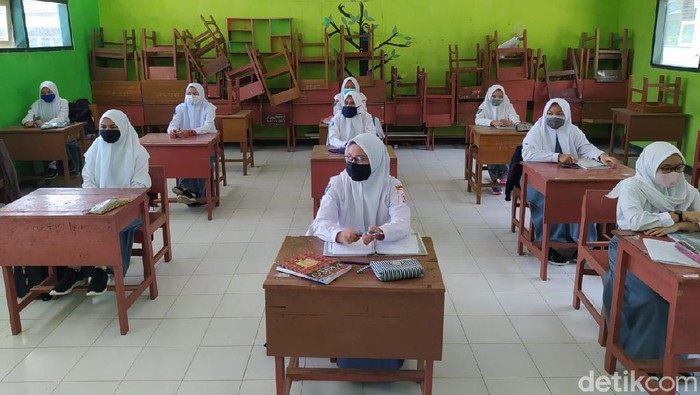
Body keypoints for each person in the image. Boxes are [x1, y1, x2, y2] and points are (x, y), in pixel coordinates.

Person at [307, 132, 409, 371]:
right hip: (343, 253)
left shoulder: (392, 185)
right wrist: (339, 234)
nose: (353, 164)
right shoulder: (338, 182)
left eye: (361, 159)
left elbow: (403, 221)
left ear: (375, 160)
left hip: (381, 253)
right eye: (349, 158)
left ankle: (383, 341)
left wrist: (382, 231)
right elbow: (321, 221)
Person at [604, 142, 700, 361]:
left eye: (678, 167)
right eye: (665, 168)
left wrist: (679, 225)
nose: (673, 174)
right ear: (650, 166)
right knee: (653, 298)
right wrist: (679, 216)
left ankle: (676, 359)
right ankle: (647, 358)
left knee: (684, 295)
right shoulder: (632, 186)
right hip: (628, 248)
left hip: (672, 248)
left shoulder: (686, 190)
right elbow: (636, 221)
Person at [50, 109, 151, 296]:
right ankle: (76, 269)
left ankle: (104, 269)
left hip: (132, 204)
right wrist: (95, 198)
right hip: (98, 203)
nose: (107, 131)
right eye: (103, 127)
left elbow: (139, 185)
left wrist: (115, 202)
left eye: (113, 127)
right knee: (80, 223)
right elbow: (88, 178)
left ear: (124, 128)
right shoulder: (96, 147)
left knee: (113, 222)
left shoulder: (138, 152)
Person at [521, 98, 617, 265]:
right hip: (535, 179)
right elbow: (527, 154)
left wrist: (601, 156)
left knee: (582, 198)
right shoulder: (538, 129)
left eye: (559, 114)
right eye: (550, 114)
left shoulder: (573, 130)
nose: (554, 117)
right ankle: (551, 245)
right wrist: (556, 156)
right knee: (551, 199)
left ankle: (579, 244)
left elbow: (585, 147)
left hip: (568, 179)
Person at [167, 82, 217, 206]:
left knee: (201, 160)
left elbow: (209, 126)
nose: (192, 96)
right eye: (189, 93)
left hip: (206, 145)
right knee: (183, 158)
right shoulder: (181, 108)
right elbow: (173, 123)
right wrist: (172, 131)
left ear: (201, 94)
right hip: (186, 146)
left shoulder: (209, 107)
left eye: (195, 93)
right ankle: (188, 191)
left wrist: (192, 132)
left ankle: (194, 193)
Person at [21, 81, 80, 179]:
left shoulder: (63, 102)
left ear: (55, 91)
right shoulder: (38, 104)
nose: (46, 95)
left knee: (61, 141)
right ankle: (52, 167)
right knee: (45, 141)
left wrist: (44, 124)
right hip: (47, 131)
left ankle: (70, 164)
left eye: (49, 92)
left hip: (64, 129)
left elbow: (61, 119)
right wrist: (27, 121)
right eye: (43, 93)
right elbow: (30, 114)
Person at [475, 84, 521, 195]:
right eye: (494, 96)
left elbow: (515, 118)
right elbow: (477, 120)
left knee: (508, 151)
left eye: (500, 96)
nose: (497, 99)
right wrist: (491, 122)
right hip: (489, 138)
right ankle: (495, 179)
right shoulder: (484, 105)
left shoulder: (508, 105)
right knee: (491, 152)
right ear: (489, 96)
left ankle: (504, 175)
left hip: (505, 137)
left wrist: (511, 121)